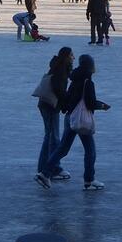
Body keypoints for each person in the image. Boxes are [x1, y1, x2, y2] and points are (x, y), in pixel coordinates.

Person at [42, 54, 109, 191]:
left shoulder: (75, 79)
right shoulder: (88, 82)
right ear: (90, 66)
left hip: (70, 117)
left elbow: (68, 97)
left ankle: (44, 173)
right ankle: (89, 180)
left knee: (63, 148)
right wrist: (102, 106)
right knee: (90, 151)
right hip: (81, 120)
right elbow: (90, 103)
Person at [32, 47, 74, 188]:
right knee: (52, 137)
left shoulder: (58, 67)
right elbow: (59, 90)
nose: (73, 58)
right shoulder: (60, 70)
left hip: (46, 104)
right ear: (66, 56)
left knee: (50, 136)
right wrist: (66, 103)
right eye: (71, 55)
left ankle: (49, 167)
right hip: (50, 106)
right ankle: (49, 169)